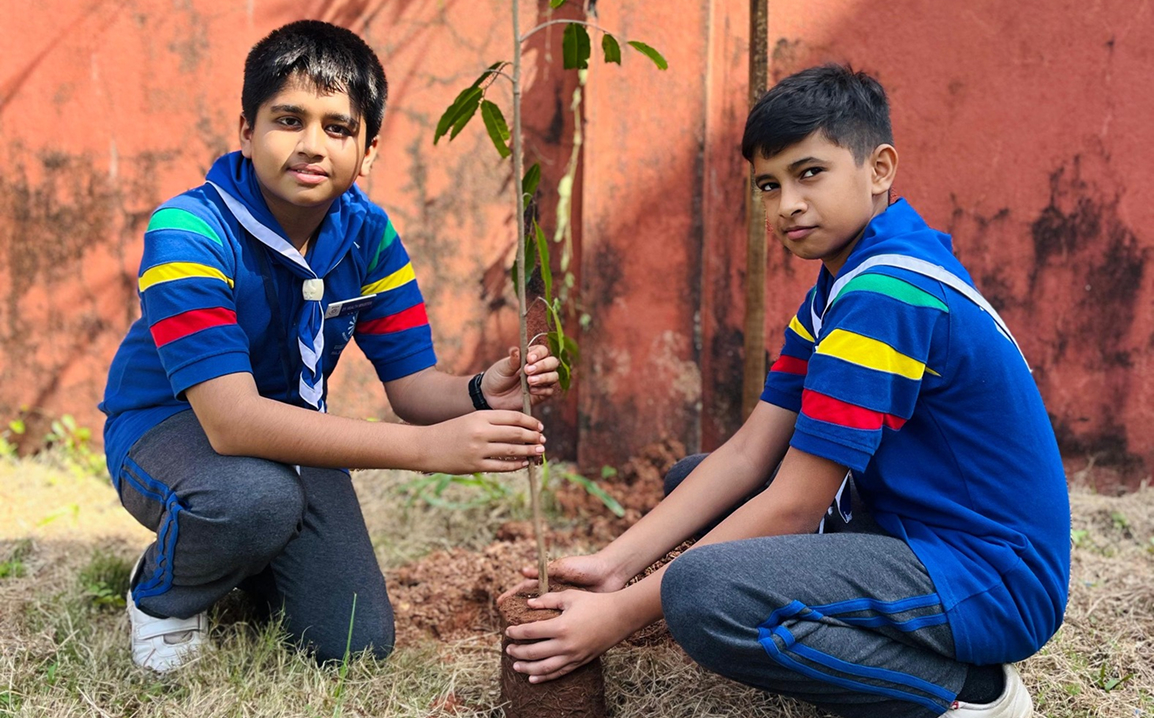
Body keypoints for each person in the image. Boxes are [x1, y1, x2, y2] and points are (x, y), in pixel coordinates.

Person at [500, 64, 1069, 718]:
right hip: (911, 530)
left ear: (879, 169)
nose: (787, 204)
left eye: (810, 173)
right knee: (697, 481)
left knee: (701, 596)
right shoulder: (843, 285)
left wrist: (618, 616)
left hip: (991, 576)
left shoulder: (885, 295)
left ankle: (972, 696)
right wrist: (612, 565)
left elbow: (796, 506)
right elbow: (748, 455)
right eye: (769, 186)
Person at [99, 20, 560, 673]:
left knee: (354, 640)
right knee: (254, 498)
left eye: (339, 128)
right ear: (247, 131)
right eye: (289, 120)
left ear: (368, 151)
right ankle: (164, 596)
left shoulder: (368, 235)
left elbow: (411, 386)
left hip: (292, 440)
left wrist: (478, 392)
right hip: (173, 428)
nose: (313, 145)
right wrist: (427, 451)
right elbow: (231, 423)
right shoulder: (190, 229)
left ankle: (245, 559)